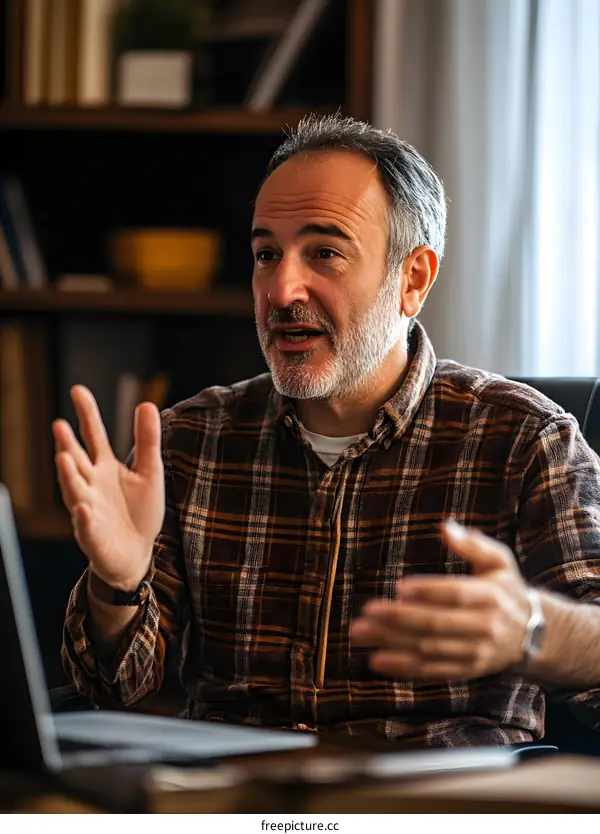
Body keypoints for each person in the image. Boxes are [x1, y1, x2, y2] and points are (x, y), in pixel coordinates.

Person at [56, 115, 600, 748]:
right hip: (238, 803)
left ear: (413, 279)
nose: (282, 289)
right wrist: (116, 581)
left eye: (325, 253)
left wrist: (531, 628)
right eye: (266, 255)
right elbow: (110, 686)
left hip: (433, 807)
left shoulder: (525, 441)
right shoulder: (191, 441)